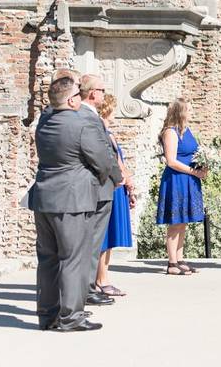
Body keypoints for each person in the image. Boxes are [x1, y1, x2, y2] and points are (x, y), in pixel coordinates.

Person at [29, 77, 117, 332]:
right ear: (71, 100)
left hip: (44, 197)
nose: (82, 98)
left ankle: (47, 316)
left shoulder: (44, 121)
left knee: (47, 259)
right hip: (74, 199)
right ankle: (71, 317)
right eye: (78, 95)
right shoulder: (81, 124)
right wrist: (96, 179)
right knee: (73, 258)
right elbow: (102, 161)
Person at [78, 74, 123, 307]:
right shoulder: (89, 117)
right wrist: (117, 176)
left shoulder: (85, 116)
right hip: (98, 186)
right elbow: (101, 155)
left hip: (96, 186)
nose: (104, 95)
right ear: (93, 93)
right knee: (92, 241)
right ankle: (86, 289)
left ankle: (86, 288)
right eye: (103, 90)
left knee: (92, 241)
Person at [155, 98, 208, 276]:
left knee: (183, 221)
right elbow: (171, 161)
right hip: (176, 179)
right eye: (189, 109)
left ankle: (180, 258)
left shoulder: (187, 130)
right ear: (180, 111)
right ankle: (171, 263)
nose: (192, 112)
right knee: (175, 221)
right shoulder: (171, 132)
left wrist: (204, 164)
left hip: (189, 179)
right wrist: (194, 172)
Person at [94, 94, 135, 297]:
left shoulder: (107, 132)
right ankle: (101, 279)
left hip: (116, 187)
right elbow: (115, 162)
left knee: (108, 238)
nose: (114, 116)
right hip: (112, 186)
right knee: (105, 237)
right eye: (112, 112)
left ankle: (103, 277)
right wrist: (128, 180)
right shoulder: (104, 133)